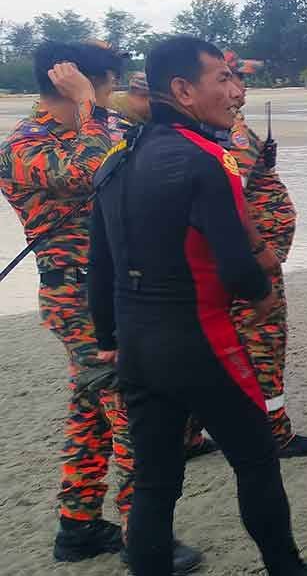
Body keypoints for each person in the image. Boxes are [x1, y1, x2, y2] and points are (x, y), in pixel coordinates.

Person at [87, 36, 307, 576]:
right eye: (223, 79)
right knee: (256, 459)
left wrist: (109, 341)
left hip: (137, 346)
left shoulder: (115, 158)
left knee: (156, 480)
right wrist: (261, 292)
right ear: (182, 89)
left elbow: (102, 265)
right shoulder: (208, 158)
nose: (236, 90)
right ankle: (287, 569)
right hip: (200, 339)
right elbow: (235, 263)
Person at [0, 42, 202, 573]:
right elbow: (91, 168)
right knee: (133, 411)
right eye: (105, 86)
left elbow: (141, 141)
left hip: (114, 289)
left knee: (90, 410)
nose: (110, 98)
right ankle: (145, 539)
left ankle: (79, 524)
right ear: (75, 84)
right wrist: (89, 101)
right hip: (79, 297)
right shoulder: (25, 143)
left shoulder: (100, 124)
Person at [220, 51, 307, 458]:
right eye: (231, 78)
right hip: (254, 261)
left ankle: (191, 433)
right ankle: (274, 432)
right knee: (263, 343)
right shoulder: (229, 135)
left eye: (241, 79)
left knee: (230, 345)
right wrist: (259, 248)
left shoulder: (227, 132)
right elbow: (230, 198)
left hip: (249, 257)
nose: (240, 88)